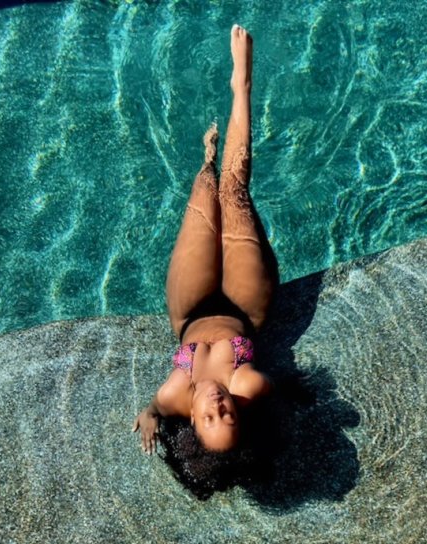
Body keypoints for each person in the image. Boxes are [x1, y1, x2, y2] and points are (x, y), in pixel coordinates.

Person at [132, 25, 279, 495]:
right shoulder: (249, 388)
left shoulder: (173, 395)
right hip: (245, 308)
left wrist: (149, 416)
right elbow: (276, 395)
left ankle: (206, 156)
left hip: (190, 311)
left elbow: (153, 409)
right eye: (228, 416)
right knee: (233, 191)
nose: (218, 405)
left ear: (193, 421)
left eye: (210, 417)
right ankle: (242, 85)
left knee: (205, 189)